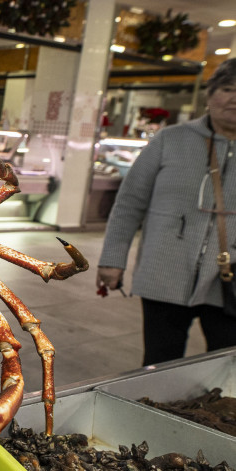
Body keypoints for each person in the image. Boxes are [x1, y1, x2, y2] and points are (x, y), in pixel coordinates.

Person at [96, 57, 236, 366]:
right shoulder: (171, 139)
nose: (234, 98)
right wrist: (112, 259)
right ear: (210, 94)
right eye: (227, 88)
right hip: (165, 272)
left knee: (227, 365)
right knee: (160, 362)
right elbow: (130, 201)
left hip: (228, 278)